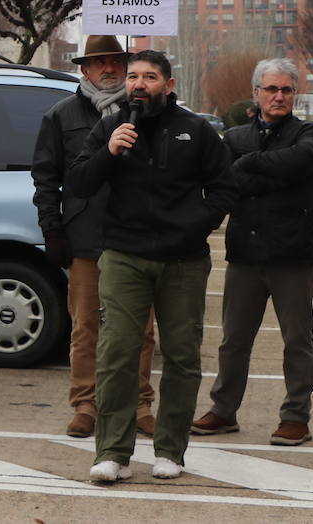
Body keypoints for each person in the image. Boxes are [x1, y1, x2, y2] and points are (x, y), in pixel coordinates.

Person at [67, 50, 237, 484]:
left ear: (168, 84)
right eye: (134, 77)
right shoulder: (112, 125)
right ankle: (113, 453)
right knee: (116, 353)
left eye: (150, 77)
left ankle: (170, 450)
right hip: (124, 255)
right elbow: (80, 182)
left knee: (181, 355)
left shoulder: (195, 130)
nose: (139, 84)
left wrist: (195, 225)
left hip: (183, 260)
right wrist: (109, 151)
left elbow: (225, 187)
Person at [192, 57, 313, 447]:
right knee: (234, 340)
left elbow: (300, 162)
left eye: (286, 89)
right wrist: (270, 175)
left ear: (294, 93)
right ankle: (223, 410)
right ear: (256, 93)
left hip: (293, 255)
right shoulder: (233, 138)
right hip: (245, 255)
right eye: (271, 89)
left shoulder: (310, 133)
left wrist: (251, 166)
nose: (279, 96)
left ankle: (295, 417)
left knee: (297, 341)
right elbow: (227, 184)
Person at [32, 35, 156, 439]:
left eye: (115, 61)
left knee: (140, 329)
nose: (108, 69)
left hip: (137, 236)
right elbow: (46, 179)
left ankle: (139, 404)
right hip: (85, 237)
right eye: (99, 62)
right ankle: (85, 404)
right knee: (86, 327)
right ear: (84, 69)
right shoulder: (60, 115)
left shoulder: (148, 113)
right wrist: (52, 228)